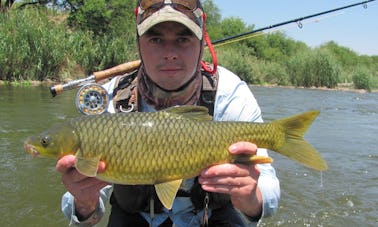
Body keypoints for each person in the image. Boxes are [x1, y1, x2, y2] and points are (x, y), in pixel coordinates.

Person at [56, 0, 280, 226]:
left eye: (183, 39)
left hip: (210, 215)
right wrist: (84, 203)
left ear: (202, 42)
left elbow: (267, 193)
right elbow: (85, 217)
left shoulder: (231, 94)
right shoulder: (109, 99)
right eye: (156, 39)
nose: (170, 53)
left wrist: (250, 199)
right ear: (139, 42)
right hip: (135, 217)